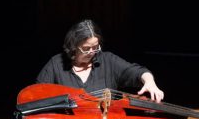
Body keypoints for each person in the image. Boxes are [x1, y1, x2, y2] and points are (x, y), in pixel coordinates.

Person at [36, 19, 164, 102]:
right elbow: (37, 96)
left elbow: (137, 72)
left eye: (95, 47)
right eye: (86, 48)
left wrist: (149, 81)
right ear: (73, 46)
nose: (91, 52)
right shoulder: (55, 64)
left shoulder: (107, 60)